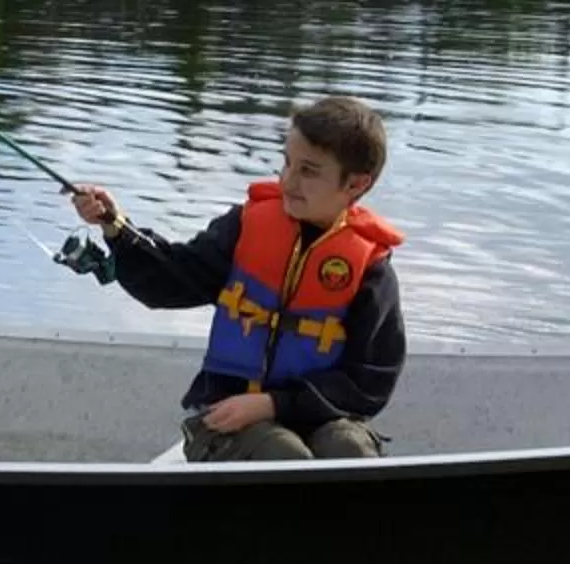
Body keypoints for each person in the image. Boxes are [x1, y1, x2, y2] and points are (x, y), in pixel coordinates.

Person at [68, 95, 405, 462]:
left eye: (308, 171)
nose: (288, 180)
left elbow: (370, 381)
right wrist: (117, 229)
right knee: (282, 454)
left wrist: (275, 403)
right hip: (228, 416)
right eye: (287, 162)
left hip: (321, 415)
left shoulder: (370, 268)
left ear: (355, 185)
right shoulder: (246, 227)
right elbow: (172, 281)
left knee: (349, 447)